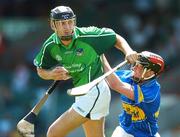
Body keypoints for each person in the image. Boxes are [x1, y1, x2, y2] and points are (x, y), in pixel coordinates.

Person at [33, 5, 138, 137]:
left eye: (70, 22)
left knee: (53, 133)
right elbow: (40, 69)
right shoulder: (50, 46)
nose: (67, 27)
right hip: (81, 92)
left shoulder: (89, 36)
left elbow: (115, 38)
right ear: (53, 25)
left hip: (95, 91)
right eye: (62, 23)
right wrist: (51, 74)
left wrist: (128, 51)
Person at [102, 51, 164, 137]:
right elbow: (107, 75)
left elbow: (115, 84)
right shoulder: (131, 76)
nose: (134, 68)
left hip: (146, 135)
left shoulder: (151, 92)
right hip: (124, 130)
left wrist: (100, 54)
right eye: (136, 64)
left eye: (140, 66)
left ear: (150, 73)